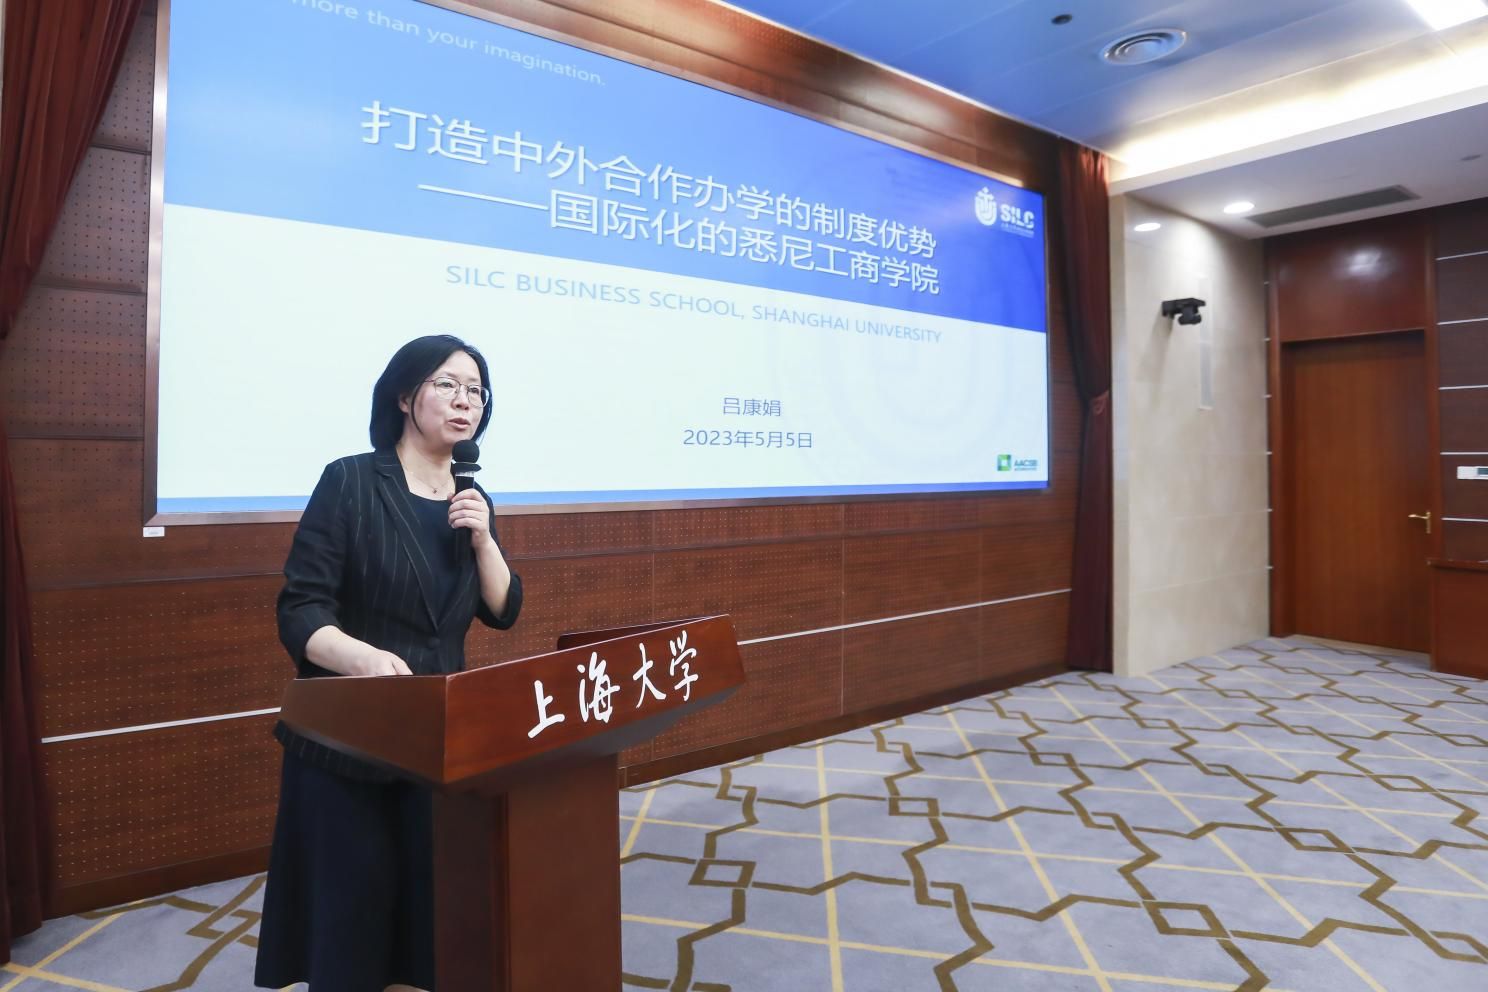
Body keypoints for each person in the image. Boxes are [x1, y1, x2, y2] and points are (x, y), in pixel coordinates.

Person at [254, 334, 522, 992]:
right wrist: (365, 659)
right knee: (353, 915)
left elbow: (503, 609)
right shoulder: (350, 481)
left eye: (476, 391)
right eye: (448, 385)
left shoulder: (471, 497)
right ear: (405, 397)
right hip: (351, 738)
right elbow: (301, 609)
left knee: (426, 913)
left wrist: (484, 539)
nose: (465, 401)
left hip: (435, 740)